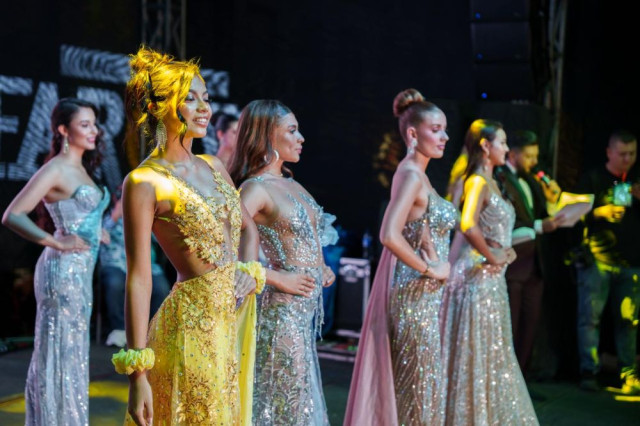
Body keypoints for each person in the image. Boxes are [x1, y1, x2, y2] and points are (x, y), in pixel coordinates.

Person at [115, 47, 262, 426]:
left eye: (206, 98)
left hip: (230, 328)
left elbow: (248, 228)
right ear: (159, 107)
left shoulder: (214, 166)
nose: (204, 108)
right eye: (190, 98)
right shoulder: (144, 182)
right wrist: (137, 376)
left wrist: (248, 268)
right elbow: (139, 278)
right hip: (188, 333)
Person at [344, 89, 454, 426]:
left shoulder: (420, 175)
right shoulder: (409, 175)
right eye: (436, 129)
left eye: (444, 129)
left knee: (422, 391)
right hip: (414, 298)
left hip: (425, 300)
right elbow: (388, 234)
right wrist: (430, 269)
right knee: (418, 394)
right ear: (413, 134)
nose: (445, 137)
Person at [2, 98, 109, 425]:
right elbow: (12, 215)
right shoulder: (56, 168)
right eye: (85, 124)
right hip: (61, 273)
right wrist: (56, 241)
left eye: (94, 124)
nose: (94, 130)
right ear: (64, 130)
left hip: (80, 272)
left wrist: (96, 231)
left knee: (73, 352)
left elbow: (78, 214)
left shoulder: (81, 168)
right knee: (58, 353)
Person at [229, 99, 337, 425]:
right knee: (285, 405)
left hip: (302, 317)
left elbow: (306, 240)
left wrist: (320, 267)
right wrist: (276, 277)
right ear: (267, 135)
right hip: (279, 315)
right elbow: (223, 252)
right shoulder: (255, 189)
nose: (301, 138)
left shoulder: (292, 184)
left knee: (297, 403)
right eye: (292, 130)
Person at [440, 119, 539, 425]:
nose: (507, 149)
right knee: (476, 351)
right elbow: (467, 224)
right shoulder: (477, 182)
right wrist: (492, 254)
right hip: (477, 278)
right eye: (503, 142)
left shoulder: (492, 181)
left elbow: (492, 231)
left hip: (492, 279)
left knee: (492, 351)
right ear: (485, 146)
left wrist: (506, 249)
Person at [573, 130, 640, 393]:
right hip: (597, 261)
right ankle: (588, 371)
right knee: (590, 318)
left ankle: (628, 374)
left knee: (628, 321)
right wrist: (598, 212)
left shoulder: (634, 180)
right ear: (609, 152)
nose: (627, 159)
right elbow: (570, 216)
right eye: (622, 154)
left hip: (631, 262)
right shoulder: (592, 179)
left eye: (632, 154)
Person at [494, 130, 564, 374]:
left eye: (536, 156)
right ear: (513, 154)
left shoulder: (531, 181)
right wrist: (539, 226)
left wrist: (553, 202)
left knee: (529, 327)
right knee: (510, 327)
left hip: (535, 266)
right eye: (529, 156)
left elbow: (541, 216)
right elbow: (504, 224)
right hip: (514, 265)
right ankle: (505, 381)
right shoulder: (500, 179)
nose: (534, 162)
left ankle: (521, 381)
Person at [98, 187, 171, 348]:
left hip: (146, 264)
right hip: (116, 262)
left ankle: (151, 331)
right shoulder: (107, 214)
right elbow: (98, 234)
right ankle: (119, 330)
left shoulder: (145, 212)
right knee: (115, 284)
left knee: (161, 287)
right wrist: (115, 216)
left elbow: (159, 238)